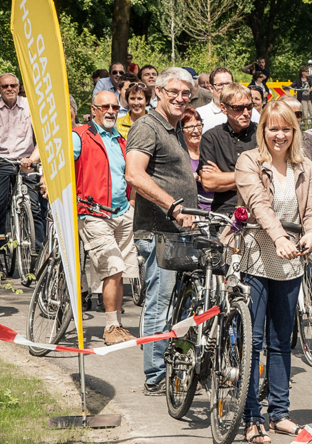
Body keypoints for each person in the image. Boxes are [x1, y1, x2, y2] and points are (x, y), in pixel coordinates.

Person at [234, 99, 312, 443]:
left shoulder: (305, 166)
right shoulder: (249, 161)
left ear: (295, 131)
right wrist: (279, 237)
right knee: (253, 340)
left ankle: (280, 414)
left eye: (286, 128)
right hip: (256, 255)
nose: (280, 134)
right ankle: (252, 416)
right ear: (263, 130)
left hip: (292, 260)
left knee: (282, 341)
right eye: (273, 128)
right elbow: (258, 205)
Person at [124, 67, 198, 395]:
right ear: (159, 92)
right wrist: (173, 206)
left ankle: (173, 368)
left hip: (179, 234)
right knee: (161, 301)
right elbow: (134, 175)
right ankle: (154, 376)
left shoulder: (174, 128)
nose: (181, 98)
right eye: (175, 93)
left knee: (179, 304)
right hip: (159, 232)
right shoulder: (146, 126)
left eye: (187, 94)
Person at [72, 91, 140, 346]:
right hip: (93, 212)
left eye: (114, 106)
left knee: (120, 272)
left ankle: (117, 324)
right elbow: (60, 162)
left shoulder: (120, 139)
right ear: (94, 109)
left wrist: (131, 203)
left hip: (121, 212)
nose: (111, 110)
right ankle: (111, 326)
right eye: (105, 106)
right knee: (113, 268)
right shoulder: (80, 135)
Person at [0, 73, 45, 257]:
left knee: (34, 206)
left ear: (18, 87)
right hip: (1, 160)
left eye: (13, 85)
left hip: (26, 160)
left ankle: (38, 251)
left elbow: (42, 138)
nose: (9, 89)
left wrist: (32, 159)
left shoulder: (29, 106)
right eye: (5, 86)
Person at [200, 83, 258, 214]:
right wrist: (254, 175)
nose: (246, 113)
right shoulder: (211, 138)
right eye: (238, 108)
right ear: (223, 108)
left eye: (249, 107)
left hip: (260, 210)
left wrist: (222, 177)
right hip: (224, 213)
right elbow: (209, 183)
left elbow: (270, 178)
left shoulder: (263, 134)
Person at [180, 109, 213, 211]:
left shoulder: (211, 150)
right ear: (181, 130)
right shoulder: (180, 155)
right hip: (195, 210)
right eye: (190, 127)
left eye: (198, 125)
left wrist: (198, 178)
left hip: (217, 206)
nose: (196, 130)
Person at [196, 68, 248, 133]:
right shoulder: (200, 114)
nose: (225, 88)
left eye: (228, 84)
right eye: (220, 85)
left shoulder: (247, 111)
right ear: (211, 88)